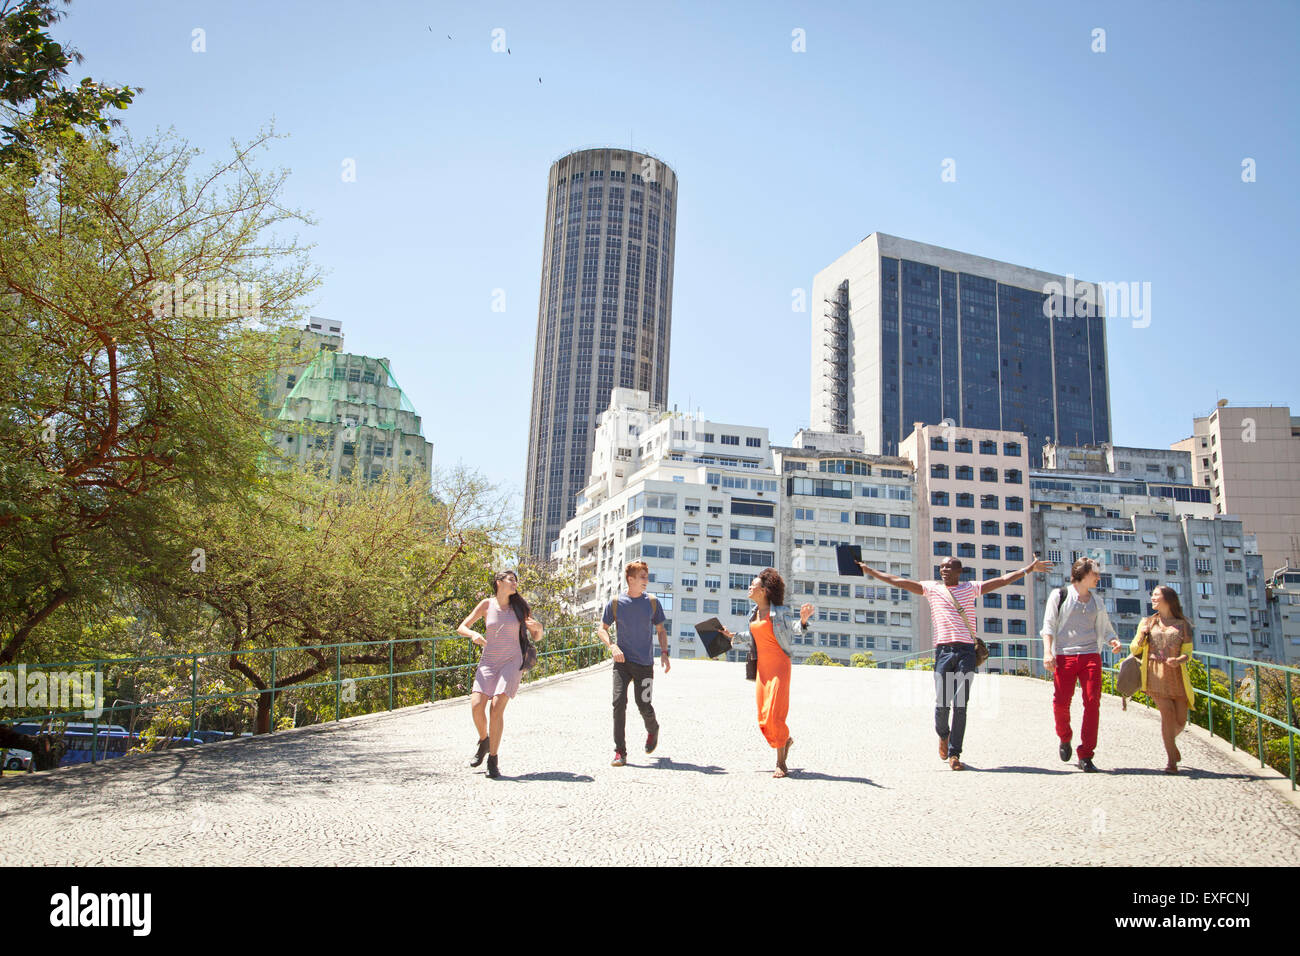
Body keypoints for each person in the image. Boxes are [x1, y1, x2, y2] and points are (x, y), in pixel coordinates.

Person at [857, 554, 1051, 770]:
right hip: (943, 652)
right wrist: (871, 571)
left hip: (966, 651)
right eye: (941, 567)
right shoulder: (932, 589)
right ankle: (943, 735)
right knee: (942, 703)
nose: (944, 570)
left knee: (960, 705)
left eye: (949, 567)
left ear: (959, 571)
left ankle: (954, 754)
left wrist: (1028, 570)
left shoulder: (970, 588)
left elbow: (1002, 580)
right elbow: (898, 581)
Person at [719, 568, 814, 777]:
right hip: (762, 669)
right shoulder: (753, 613)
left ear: (763, 590)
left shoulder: (779, 613)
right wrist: (731, 636)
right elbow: (753, 636)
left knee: (774, 714)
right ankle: (785, 740)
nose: (750, 587)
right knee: (763, 718)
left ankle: (781, 763)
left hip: (780, 666)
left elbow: (795, 628)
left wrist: (804, 620)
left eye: (753, 585)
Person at [456, 570, 543, 779]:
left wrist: (538, 627)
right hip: (489, 662)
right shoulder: (487, 605)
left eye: (515, 580)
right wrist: (473, 634)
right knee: (477, 706)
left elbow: (537, 636)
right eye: (511, 580)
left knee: (496, 707)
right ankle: (484, 740)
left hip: (512, 662)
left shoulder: (519, 608)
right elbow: (462, 627)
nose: (515, 583)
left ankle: (493, 759)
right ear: (499, 582)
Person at [1039, 557, 1123, 772]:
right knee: (1061, 702)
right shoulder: (1059, 596)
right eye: (1094, 573)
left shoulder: (1097, 601)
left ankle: (1086, 754)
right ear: (1082, 575)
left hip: (1090, 657)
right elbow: (1048, 626)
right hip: (1065, 656)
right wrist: (1048, 652)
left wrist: (1113, 640)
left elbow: (1105, 628)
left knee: (1093, 702)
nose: (1098, 577)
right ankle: (1064, 736)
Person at [596, 561, 670, 767]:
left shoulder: (652, 602)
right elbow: (602, 629)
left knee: (643, 704)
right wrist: (612, 646)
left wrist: (664, 653)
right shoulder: (616, 602)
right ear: (631, 579)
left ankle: (652, 729)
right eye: (643, 577)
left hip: (645, 664)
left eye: (647, 576)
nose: (646, 580)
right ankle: (620, 751)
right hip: (622, 663)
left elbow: (661, 630)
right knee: (618, 703)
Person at [1130, 585, 1196, 774]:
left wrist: (1179, 660)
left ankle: (1170, 743)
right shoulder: (1148, 622)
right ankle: (1171, 761)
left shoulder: (1183, 625)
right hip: (1154, 672)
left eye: (1156, 595)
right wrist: (1142, 634)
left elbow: (1188, 653)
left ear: (1167, 599)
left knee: (1180, 720)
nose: (1152, 598)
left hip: (1176, 674)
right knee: (1167, 714)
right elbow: (1134, 649)